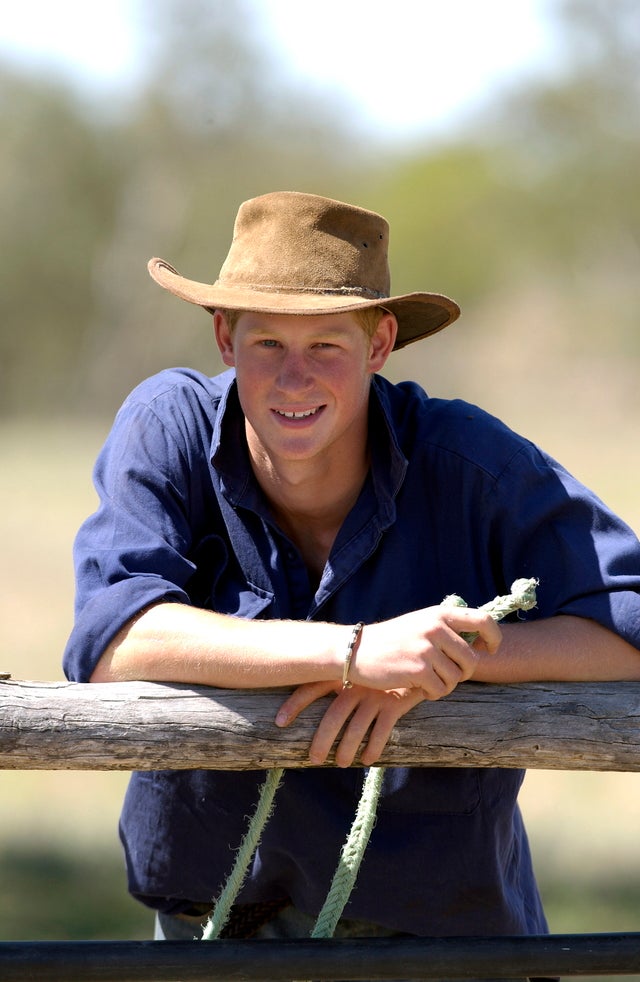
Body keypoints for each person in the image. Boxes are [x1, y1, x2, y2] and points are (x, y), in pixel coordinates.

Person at [64, 191, 640, 952]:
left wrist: (446, 661)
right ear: (224, 339)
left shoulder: (467, 459)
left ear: (380, 344)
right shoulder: (165, 424)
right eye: (267, 343)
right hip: (211, 936)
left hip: (441, 948)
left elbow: (627, 625)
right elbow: (112, 638)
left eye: (327, 346)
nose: (294, 378)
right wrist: (355, 652)